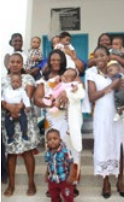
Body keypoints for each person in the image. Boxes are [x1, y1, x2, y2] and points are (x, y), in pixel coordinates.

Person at [34, 49, 83, 197]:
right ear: (49, 61)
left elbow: (80, 89)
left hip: (69, 118)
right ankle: (53, 183)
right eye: (53, 59)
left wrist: (67, 93)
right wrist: (51, 104)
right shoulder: (44, 79)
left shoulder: (70, 75)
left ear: (63, 60)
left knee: (72, 150)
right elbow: (37, 99)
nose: (55, 62)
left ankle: (72, 182)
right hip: (52, 119)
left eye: (58, 59)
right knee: (53, 151)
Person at [87, 45, 124, 198]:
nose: (99, 59)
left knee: (119, 144)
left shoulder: (116, 72)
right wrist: (112, 86)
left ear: (108, 56)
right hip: (102, 114)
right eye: (96, 56)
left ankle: (120, 180)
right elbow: (92, 97)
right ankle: (106, 181)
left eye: (102, 55)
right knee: (103, 145)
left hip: (117, 113)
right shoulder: (92, 74)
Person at [1, 53, 39, 197]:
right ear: (8, 64)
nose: (15, 64)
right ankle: (11, 184)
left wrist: (17, 108)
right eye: (13, 62)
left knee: (28, 152)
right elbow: (1, 98)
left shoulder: (28, 78)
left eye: (18, 62)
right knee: (11, 153)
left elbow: (28, 95)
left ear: (22, 64)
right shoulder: (3, 80)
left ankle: (31, 183)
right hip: (9, 120)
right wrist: (10, 108)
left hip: (26, 121)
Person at [45, 128, 74, 202]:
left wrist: (71, 175)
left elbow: (71, 163)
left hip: (64, 180)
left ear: (60, 140)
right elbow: (48, 164)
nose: (52, 141)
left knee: (68, 196)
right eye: (49, 139)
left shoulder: (65, 151)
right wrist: (47, 174)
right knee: (54, 197)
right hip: (52, 180)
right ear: (47, 142)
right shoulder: (47, 153)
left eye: (55, 138)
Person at [2, 73, 31, 144]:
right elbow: (2, 97)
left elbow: (26, 99)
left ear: (21, 82)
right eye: (13, 81)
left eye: (18, 82)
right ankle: (10, 137)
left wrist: (27, 106)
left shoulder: (22, 91)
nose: (15, 83)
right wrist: (3, 103)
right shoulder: (6, 90)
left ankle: (24, 134)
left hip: (20, 110)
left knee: (24, 121)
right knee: (8, 123)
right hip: (8, 110)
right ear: (10, 82)